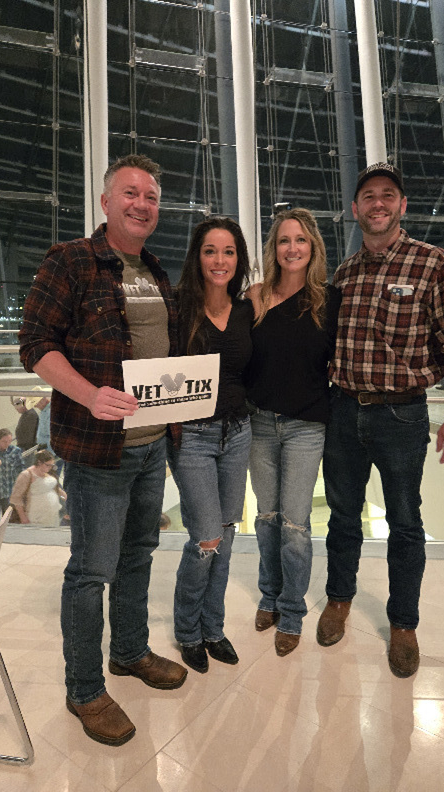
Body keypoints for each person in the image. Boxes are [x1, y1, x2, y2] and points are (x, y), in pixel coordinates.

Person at [19, 153, 187, 747]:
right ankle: (84, 688)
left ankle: (130, 652)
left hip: (151, 447)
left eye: (152, 197)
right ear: (106, 201)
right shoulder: (71, 261)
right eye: (131, 193)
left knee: (139, 553)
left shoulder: (156, 271)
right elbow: (35, 344)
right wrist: (90, 395)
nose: (143, 204)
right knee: (91, 572)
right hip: (97, 452)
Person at [318, 162, 444, 678]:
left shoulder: (435, 264)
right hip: (343, 410)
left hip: (402, 415)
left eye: (388, 195)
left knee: (406, 523)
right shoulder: (344, 272)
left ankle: (403, 623)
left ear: (402, 206)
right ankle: (339, 598)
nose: (378, 203)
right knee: (342, 517)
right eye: (368, 196)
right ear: (355, 208)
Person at [245, 209, 341, 656]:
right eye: (284, 241)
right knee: (266, 518)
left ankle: (292, 610)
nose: (292, 248)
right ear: (274, 248)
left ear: (313, 247)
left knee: (296, 523)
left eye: (300, 240)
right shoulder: (257, 297)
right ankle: (269, 594)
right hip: (260, 424)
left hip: (306, 426)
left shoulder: (329, 300)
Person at [167, 218, 252, 674]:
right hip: (192, 437)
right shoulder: (179, 308)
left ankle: (213, 628)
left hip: (238, 432)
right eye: (210, 251)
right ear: (197, 257)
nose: (219, 260)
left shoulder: (245, 310)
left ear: (238, 259)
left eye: (228, 252)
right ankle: (187, 630)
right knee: (207, 538)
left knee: (228, 533)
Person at [10, 450, 67, 526]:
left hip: (52, 516)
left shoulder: (48, 471)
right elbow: (16, 498)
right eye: (48, 465)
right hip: (35, 516)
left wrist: (60, 492)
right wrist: (23, 517)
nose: (50, 467)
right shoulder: (26, 475)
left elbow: (50, 486)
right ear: (39, 463)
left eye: (52, 465)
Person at [0, 428, 25, 515]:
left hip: (9, 491)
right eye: (4, 441)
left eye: (9, 441)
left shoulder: (15, 451)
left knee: (9, 519)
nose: (7, 444)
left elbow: (21, 470)